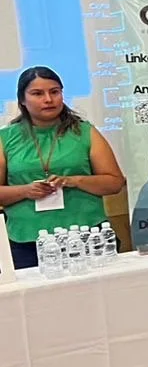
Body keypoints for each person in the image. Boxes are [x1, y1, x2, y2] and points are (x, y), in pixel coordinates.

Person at [0, 66, 126, 270]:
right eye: (37, 93)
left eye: (55, 92)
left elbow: (114, 182)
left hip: (87, 236)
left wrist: (73, 181)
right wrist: (25, 191)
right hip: (27, 243)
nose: (48, 99)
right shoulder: (5, 139)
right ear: (22, 100)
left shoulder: (85, 132)